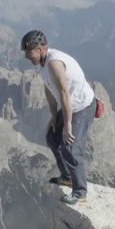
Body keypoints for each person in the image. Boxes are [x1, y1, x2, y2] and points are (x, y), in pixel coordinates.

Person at [21, 30, 96, 204]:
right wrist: (54, 117)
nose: (27, 57)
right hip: (70, 105)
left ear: (41, 49)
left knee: (70, 145)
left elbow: (64, 94)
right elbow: (50, 90)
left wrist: (68, 124)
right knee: (53, 137)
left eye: (29, 52)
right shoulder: (43, 64)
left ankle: (80, 192)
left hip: (82, 107)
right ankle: (67, 176)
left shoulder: (54, 63)